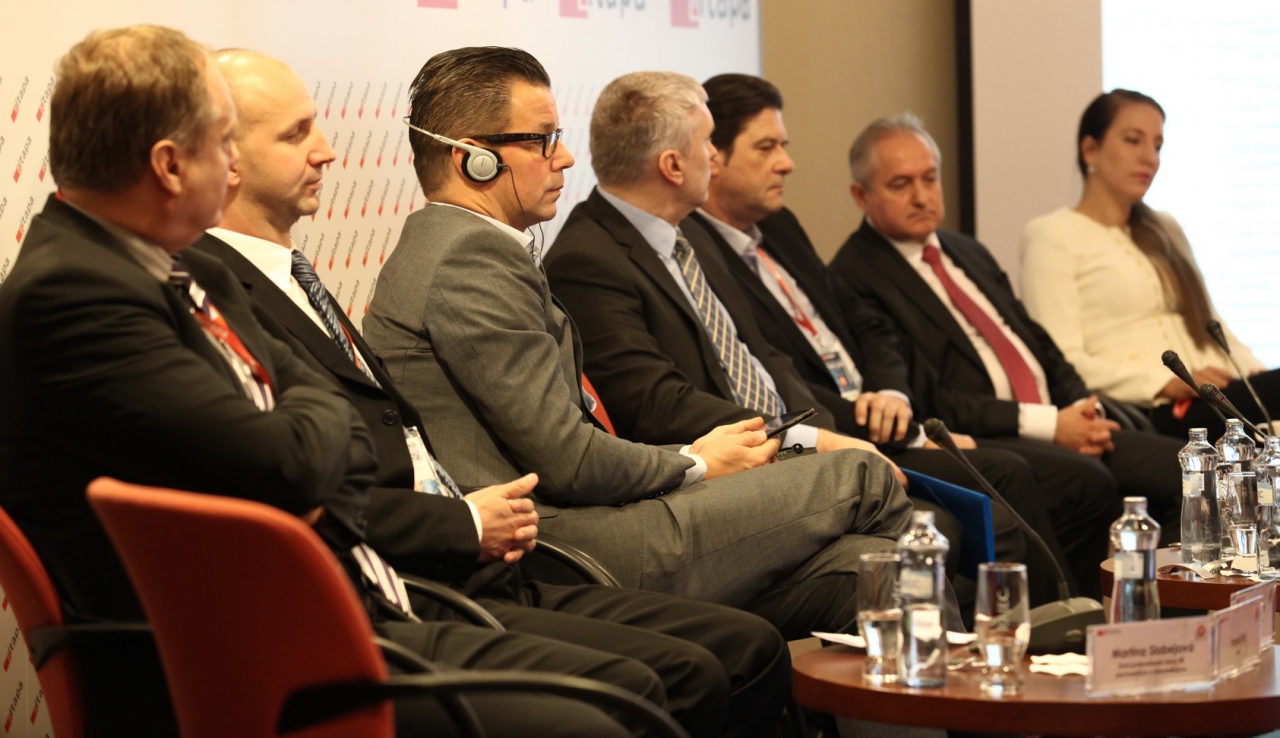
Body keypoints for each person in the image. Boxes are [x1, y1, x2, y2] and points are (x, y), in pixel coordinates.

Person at [0, 24, 722, 738]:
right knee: (611, 710)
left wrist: (311, 430)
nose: (234, 167)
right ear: (168, 165)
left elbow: (313, 432)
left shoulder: (185, 266)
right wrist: (316, 431)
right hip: (238, 664)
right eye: (224, 144)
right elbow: (287, 466)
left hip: (348, 606)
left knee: (659, 679)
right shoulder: (74, 293)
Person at [194, 49, 792, 738]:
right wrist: (694, 462)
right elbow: (296, 494)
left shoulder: (294, 276)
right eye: (297, 133)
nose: (327, 150)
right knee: (852, 483)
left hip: (471, 556)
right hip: (440, 573)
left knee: (762, 634)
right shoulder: (222, 294)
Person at [364, 48, 924, 641]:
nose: (565, 158)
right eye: (543, 141)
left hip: (587, 521)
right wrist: (698, 462)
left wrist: (696, 455)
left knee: (862, 569)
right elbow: (571, 461)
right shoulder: (468, 258)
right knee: (860, 474)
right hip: (563, 544)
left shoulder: (461, 247)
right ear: (473, 160)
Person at [692, 72, 1096, 605]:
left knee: (1075, 480)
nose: (786, 163)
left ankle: (1066, 624)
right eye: (767, 148)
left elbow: (861, 325)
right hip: (839, 433)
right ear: (714, 156)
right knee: (1009, 474)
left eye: (783, 146)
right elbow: (779, 376)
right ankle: (1049, 635)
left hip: (884, 414)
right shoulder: (698, 252)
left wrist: (892, 393)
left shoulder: (780, 226)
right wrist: (901, 429)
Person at [829, 113, 1183, 593]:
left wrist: (1083, 406)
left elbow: (1034, 339)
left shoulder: (964, 249)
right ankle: (1078, 614)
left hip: (1062, 419)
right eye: (901, 184)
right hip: (992, 432)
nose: (922, 196)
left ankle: (1173, 615)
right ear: (860, 195)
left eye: (930, 179)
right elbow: (934, 398)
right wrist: (1050, 425)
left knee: (1185, 470)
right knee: (1088, 482)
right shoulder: (855, 275)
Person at [1020, 88, 1280, 440]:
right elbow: (1063, 360)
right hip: (1155, 411)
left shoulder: (1165, 228)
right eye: (1133, 141)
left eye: (1157, 146)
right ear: (1090, 150)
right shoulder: (1052, 235)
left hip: (1221, 394)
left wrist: (1256, 376)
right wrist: (1162, 383)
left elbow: (1213, 326)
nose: (1150, 158)